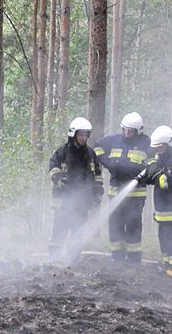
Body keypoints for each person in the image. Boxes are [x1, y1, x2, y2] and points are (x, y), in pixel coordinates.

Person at [93, 112, 152, 262]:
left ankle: (133, 259)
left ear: (138, 130)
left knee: (133, 226)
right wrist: (108, 162)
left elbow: (155, 161)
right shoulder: (113, 140)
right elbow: (97, 147)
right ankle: (117, 258)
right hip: (115, 193)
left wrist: (143, 169)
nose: (127, 133)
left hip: (136, 196)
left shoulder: (147, 143)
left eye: (131, 131)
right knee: (115, 225)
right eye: (125, 129)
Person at [136, 125, 172, 277]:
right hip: (165, 209)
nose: (158, 150)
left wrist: (154, 169)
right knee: (164, 236)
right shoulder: (163, 157)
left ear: (169, 144)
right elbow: (154, 174)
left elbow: (164, 181)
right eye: (157, 148)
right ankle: (169, 264)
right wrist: (148, 172)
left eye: (160, 147)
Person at [47, 117, 104, 260]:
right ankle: (54, 259)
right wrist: (58, 177)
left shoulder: (90, 154)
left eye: (85, 135)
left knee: (78, 231)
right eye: (80, 135)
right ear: (73, 134)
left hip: (82, 201)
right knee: (59, 230)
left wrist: (97, 191)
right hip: (64, 200)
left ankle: (73, 259)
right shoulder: (62, 152)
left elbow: (97, 174)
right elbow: (52, 166)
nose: (83, 138)